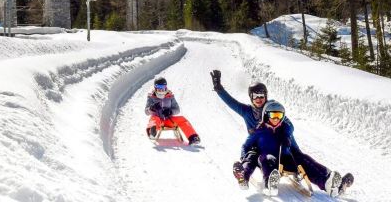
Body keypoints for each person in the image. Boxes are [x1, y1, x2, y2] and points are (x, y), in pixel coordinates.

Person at [210, 70, 352, 197]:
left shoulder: (273, 107)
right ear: (251, 98)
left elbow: (288, 123)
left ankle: (330, 181)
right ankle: (261, 178)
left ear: (266, 96)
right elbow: (231, 103)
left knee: (303, 159)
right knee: (258, 155)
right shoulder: (247, 112)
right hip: (262, 149)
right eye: (255, 96)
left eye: (262, 95)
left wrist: (285, 133)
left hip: (285, 145)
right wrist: (219, 88)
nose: (259, 99)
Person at [145, 77, 200, 146]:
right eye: (159, 87)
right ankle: (152, 132)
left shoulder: (170, 96)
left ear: (166, 87)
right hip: (158, 120)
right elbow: (146, 112)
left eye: (163, 87)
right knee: (154, 119)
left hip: (169, 120)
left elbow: (177, 110)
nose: (161, 89)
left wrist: (170, 111)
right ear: (155, 87)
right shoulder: (151, 97)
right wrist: (151, 108)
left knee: (182, 119)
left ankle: (193, 137)